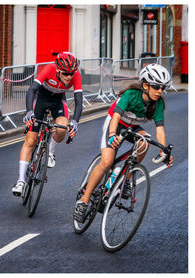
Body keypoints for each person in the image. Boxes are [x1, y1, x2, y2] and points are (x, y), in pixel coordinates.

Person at [73, 63, 174, 222]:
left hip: (132, 126)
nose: (160, 91)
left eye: (163, 88)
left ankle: (124, 180)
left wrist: (163, 151)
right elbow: (116, 117)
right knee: (107, 162)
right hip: (115, 123)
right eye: (156, 87)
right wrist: (112, 135)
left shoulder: (158, 103)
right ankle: (84, 201)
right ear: (146, 84)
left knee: (144, 142)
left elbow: (159, 129)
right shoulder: (131, 95)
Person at [12, 52, 83, 196]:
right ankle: (20, 181)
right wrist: (28, 112)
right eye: (66, 73)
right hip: (40, 100)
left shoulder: (75, 75)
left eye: (71, 73)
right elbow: (32, 89)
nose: (69, 77)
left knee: (62, 128)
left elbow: (79, 101)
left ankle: (50, 152)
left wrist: (75, 121)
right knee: (31, 140)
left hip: (58, 101)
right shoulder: (50, 68)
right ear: (57, 69)